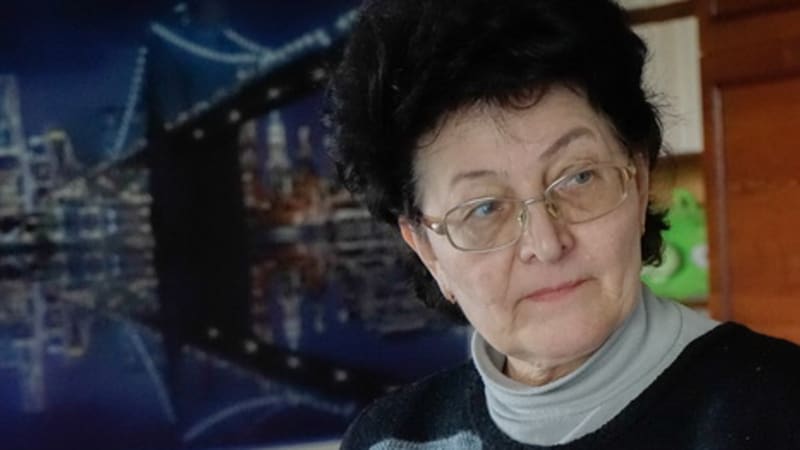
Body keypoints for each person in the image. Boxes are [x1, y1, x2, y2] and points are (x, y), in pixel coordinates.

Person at [326, 0, 800, 448]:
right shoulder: (389, 438)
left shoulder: (779, 408)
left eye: (578, 178)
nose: (547, 243)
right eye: (484, 208)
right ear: (428, 251)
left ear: (639, 182)